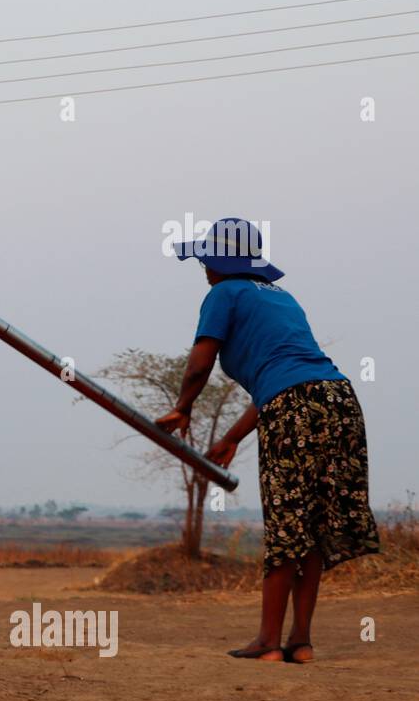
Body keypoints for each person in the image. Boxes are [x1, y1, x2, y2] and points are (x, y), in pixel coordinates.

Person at [155, 218, 379, 663]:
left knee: (286, 522)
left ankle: (267, 643)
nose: (203, 267)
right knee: (312, 523)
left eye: (206, 258)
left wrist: (184, 407)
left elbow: (200, 363)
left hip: (293, 408)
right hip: (338, 401)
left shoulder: (223, 293)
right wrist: (234, 437)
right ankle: (301, 641)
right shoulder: (282, 298)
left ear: (219, 261)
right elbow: (288, 375)